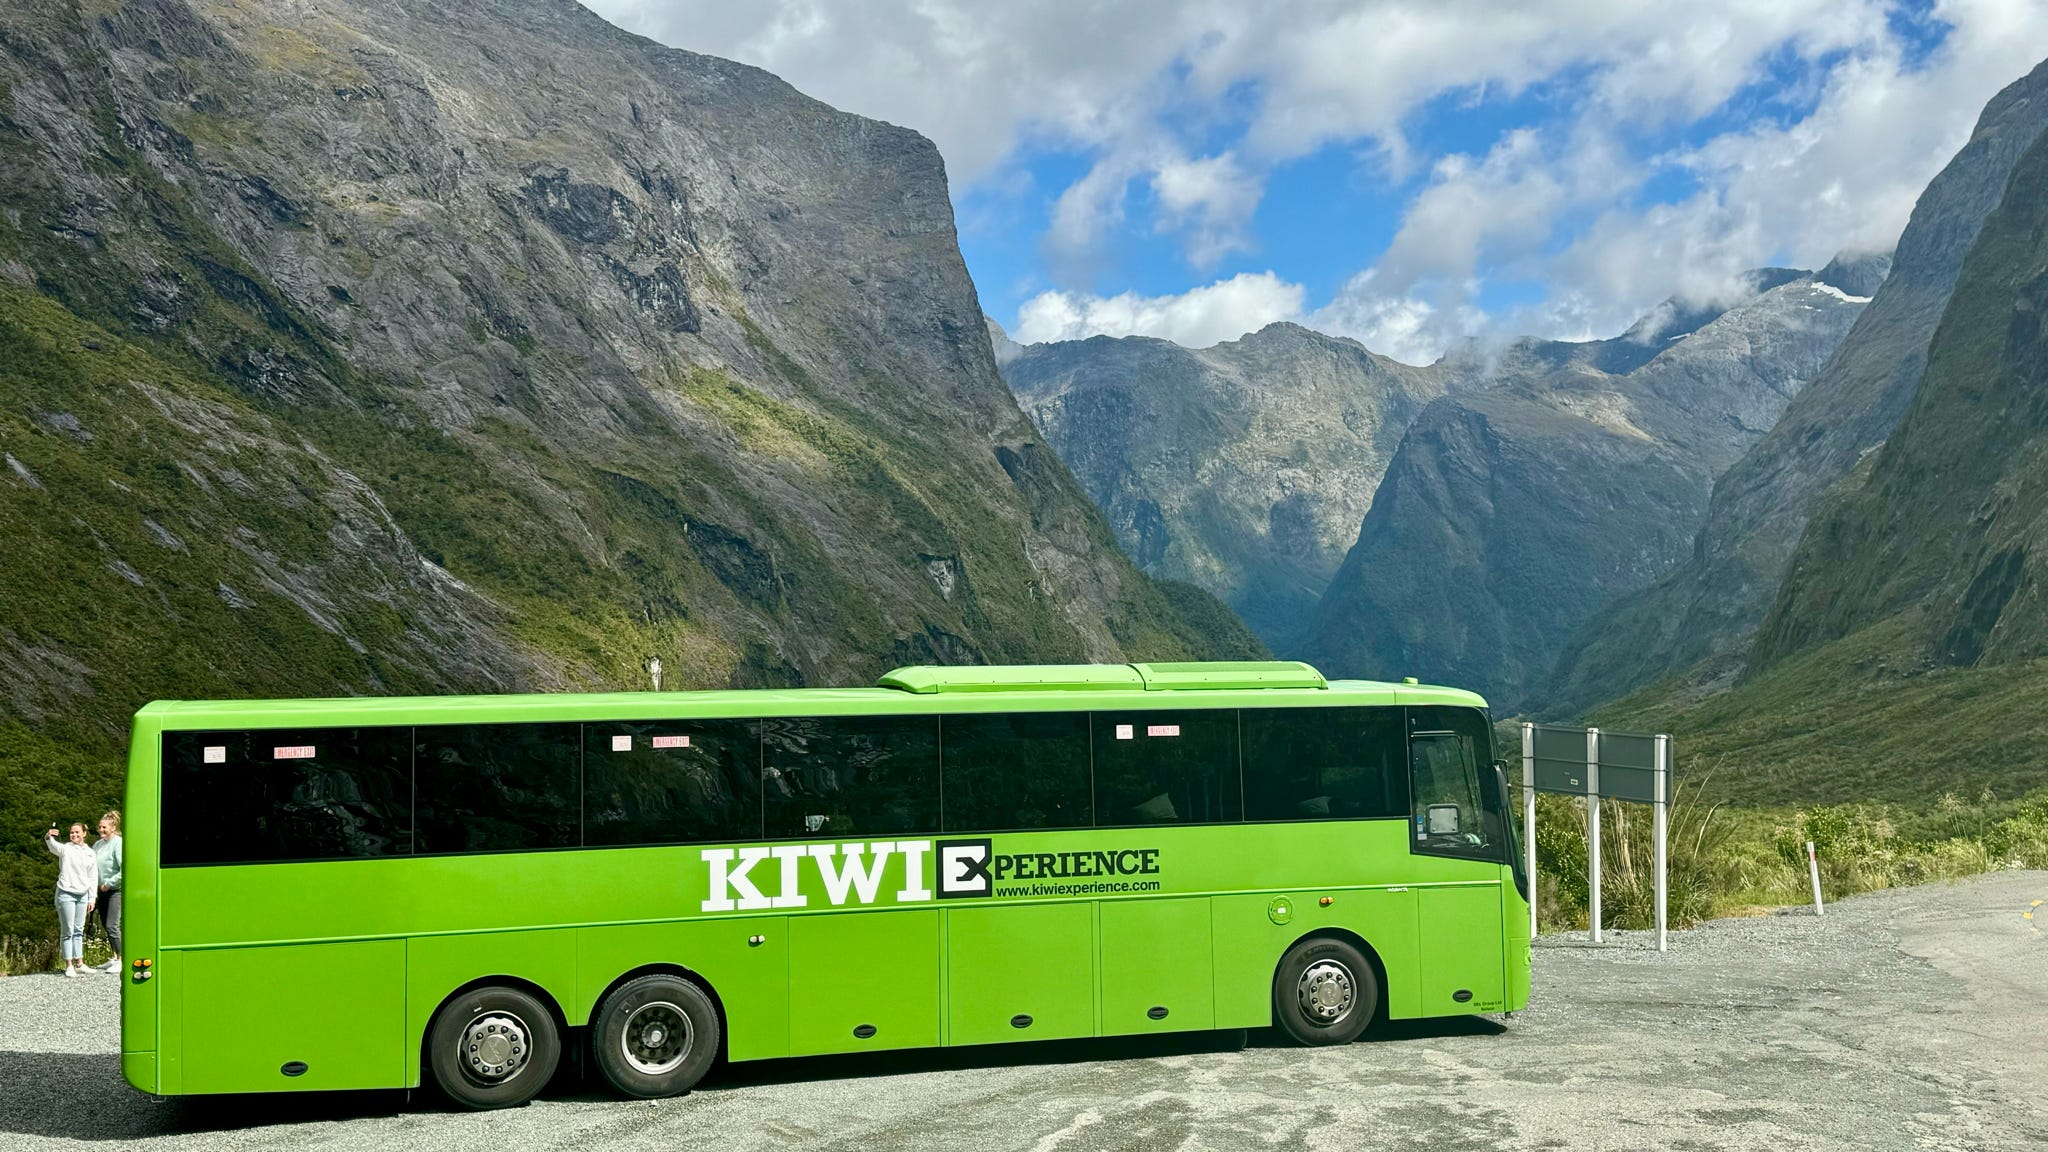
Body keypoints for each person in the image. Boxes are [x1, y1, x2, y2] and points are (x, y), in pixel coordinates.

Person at [44, 823, 98, 978]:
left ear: (84, 833)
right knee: (68, 930)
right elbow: (53, 846)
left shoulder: (90, 852)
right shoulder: (65, 849)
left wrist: (92, 897)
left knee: (79, 930)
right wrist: (48, 837)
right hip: (65, 893)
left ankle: (80, 963)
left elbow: (93, 876)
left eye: (77, 832)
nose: (74, 835)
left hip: (83, 894)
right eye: (71, 832)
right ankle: (69, 965)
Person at [92, 811, 123, 973]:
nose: (101, 829)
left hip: (114, 891)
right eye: (99, 827)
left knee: (112, 925)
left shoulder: (118, 843)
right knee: (105, 924)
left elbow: (124, 870)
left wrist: (109, 884)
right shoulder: (98, 845)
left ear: (113, 827)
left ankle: (122, 958)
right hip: (100, 890)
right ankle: (115, 958)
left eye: (104, 827)